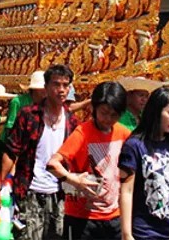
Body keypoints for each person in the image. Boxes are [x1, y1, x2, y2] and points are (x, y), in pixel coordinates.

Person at [0, 65, 79, 240]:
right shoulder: (29, 115)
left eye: (65, 85)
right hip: (30, 190)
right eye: (56, 84)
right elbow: (12, 151)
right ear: (46, 87)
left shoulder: (71, 121)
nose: (61, 90)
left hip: (59, 193)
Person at [47, 81, 131, 239]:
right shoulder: (82, 133)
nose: (108, 119)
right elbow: (53, 164)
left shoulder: (123, 134)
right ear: (94, 108)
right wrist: (74, 180)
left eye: (114, 115)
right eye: (104, 112)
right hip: (82, 217)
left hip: (114, 216)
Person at [119, 86, 169, 240]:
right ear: (156, 111)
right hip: (144, 231)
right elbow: (126, 191)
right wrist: (126, 233)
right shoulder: (134, 145)